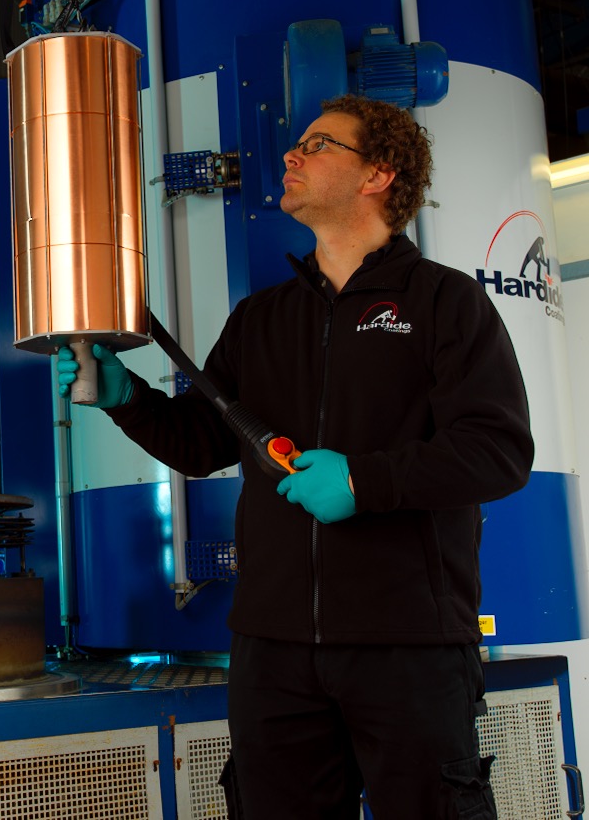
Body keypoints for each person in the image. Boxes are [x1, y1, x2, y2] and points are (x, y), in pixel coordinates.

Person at [57, 94, 533, 819]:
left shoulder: (444, 302)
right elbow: (203, 443)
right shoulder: (262, 318)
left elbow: (498, 452)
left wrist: (363, 480)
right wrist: (128, 396)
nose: (291, 154)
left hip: (407, 644)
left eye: (318, 145)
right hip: (271, 647)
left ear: (378, 174)